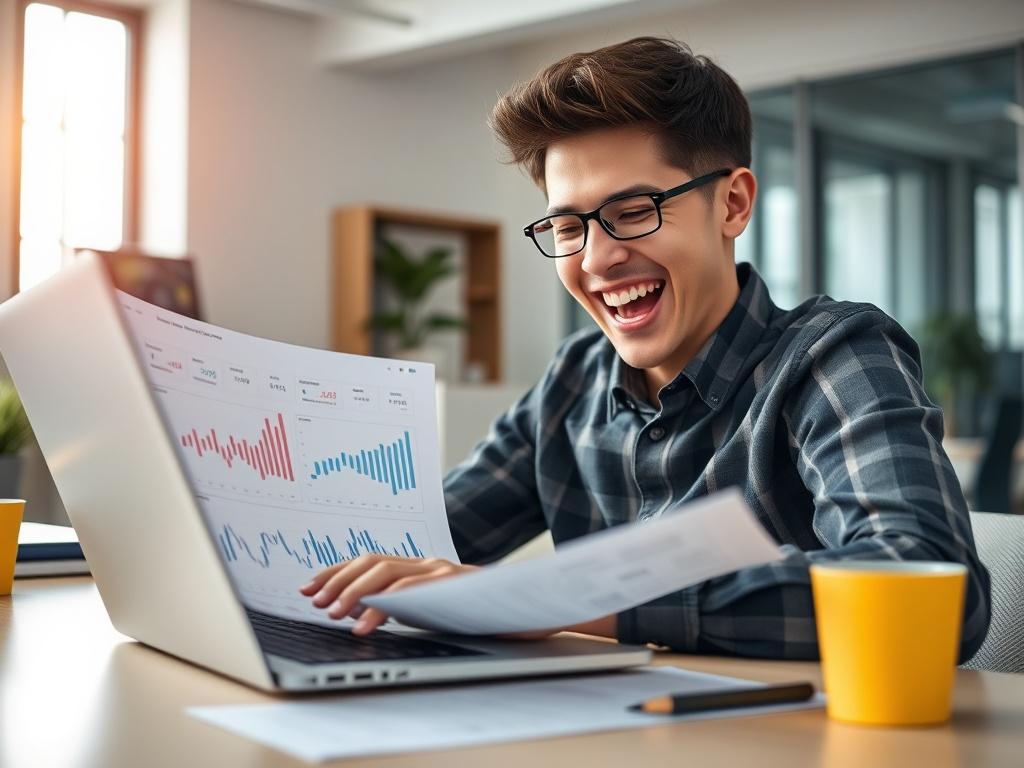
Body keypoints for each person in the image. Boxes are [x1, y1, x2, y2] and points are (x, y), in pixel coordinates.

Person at [301, 36, 990, 661]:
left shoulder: (834, 355)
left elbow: (932, 587)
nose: (597, 260)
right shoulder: (573, 382)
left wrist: (566, 599)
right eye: (568, 227)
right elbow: (416, 547)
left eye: (633, 212)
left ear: (734, 205)